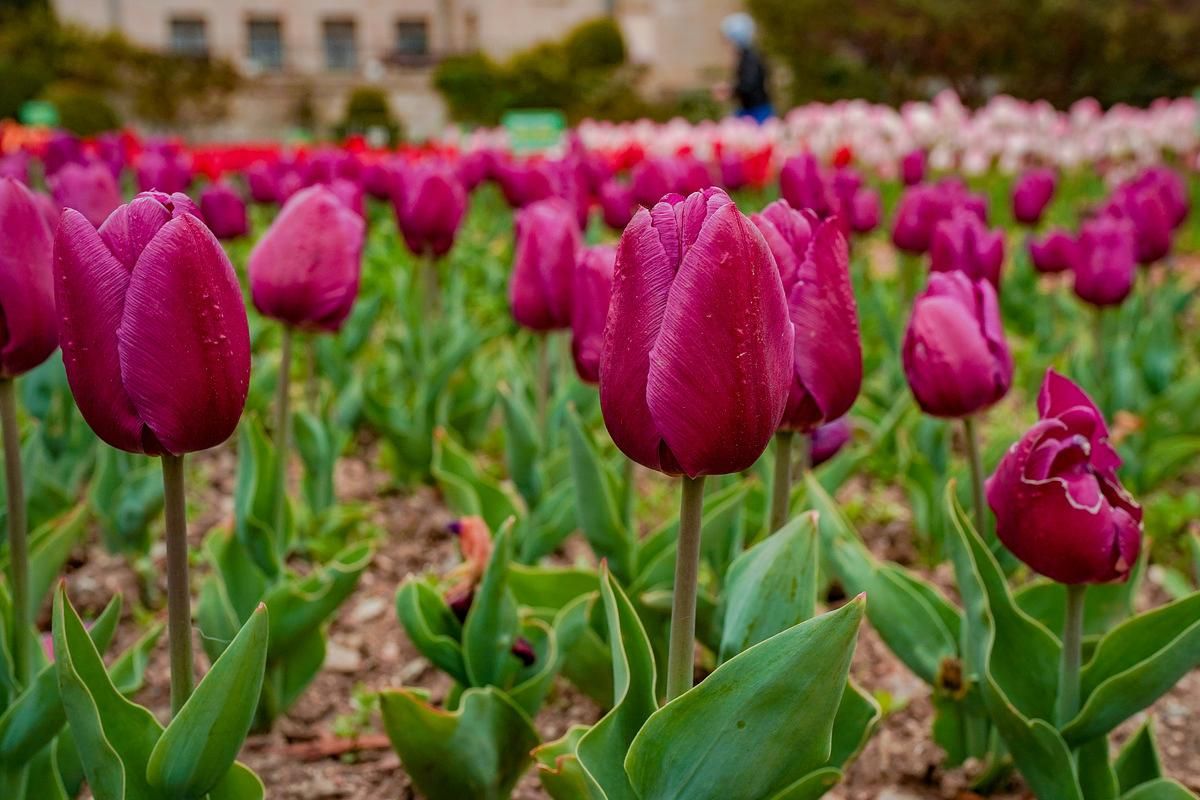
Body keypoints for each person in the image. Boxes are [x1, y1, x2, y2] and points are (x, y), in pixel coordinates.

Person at [719, 13, 773, 123]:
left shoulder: (749, 58)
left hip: (756, 111)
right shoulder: (746, 56)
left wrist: (730, 90)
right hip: (750, 110)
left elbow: (748, 84)